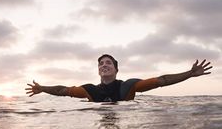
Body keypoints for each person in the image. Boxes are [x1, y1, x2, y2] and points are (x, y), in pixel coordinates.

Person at [25, 54, 212, 102]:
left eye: (108, 63)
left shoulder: (128, 86)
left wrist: (189, 73)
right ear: (98, 71)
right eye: (100, 64)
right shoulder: (91, 90)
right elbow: (62, 90)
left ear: (116, 69)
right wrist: (42, 88)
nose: (104, 65)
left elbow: (161, 81)